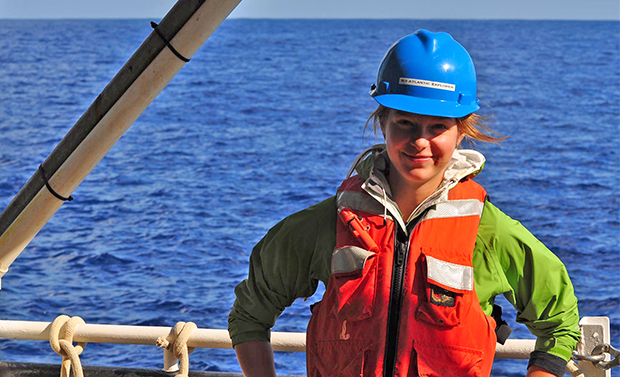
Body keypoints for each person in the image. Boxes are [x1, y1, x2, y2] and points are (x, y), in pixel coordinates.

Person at [228, 29, 581, 377]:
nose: (420, 142)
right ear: (382, 121)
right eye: (405, 123)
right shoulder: (331, 224)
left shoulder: (486, 231)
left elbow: (560, 322)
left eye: (438, 127)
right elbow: (249, 315)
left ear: (461, 131)